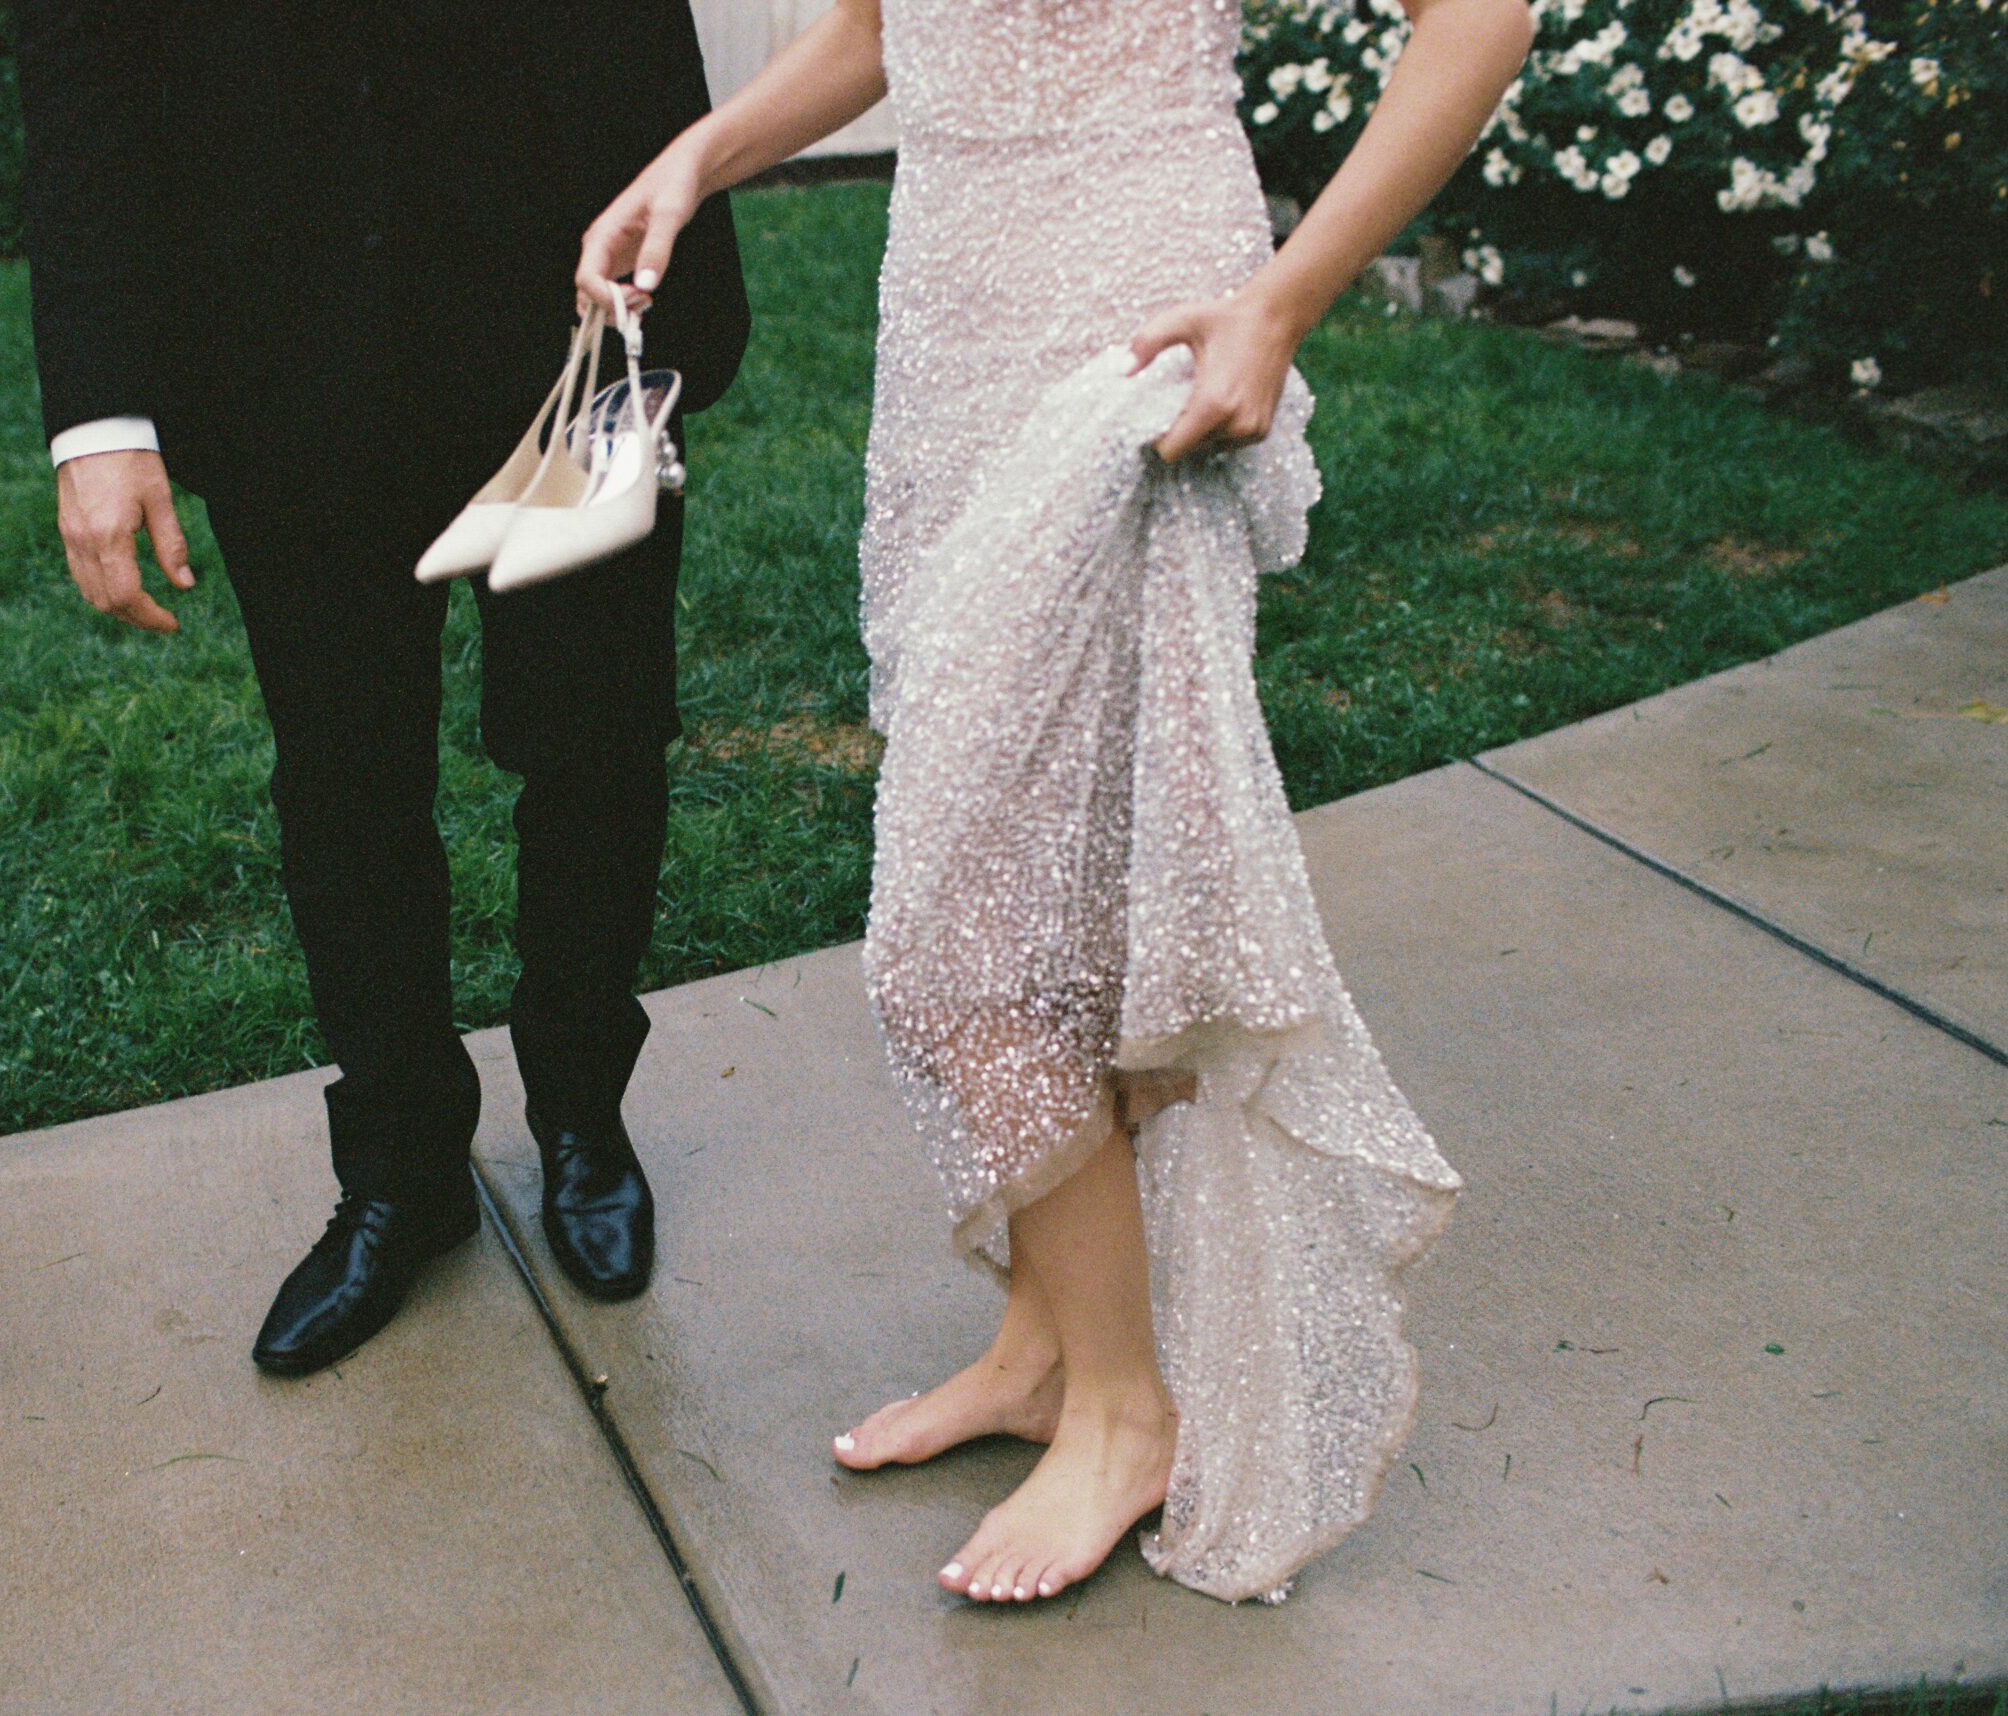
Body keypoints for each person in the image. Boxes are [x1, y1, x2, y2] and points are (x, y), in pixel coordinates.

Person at [576, 0, 1524, 1604]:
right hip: (947, 326)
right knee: (1055, 880)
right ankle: (1043, 1348)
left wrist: (1283, 301)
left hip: (1137, 317)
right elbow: (887, 29)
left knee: (962, 933)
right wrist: (698, 156)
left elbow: (1482, 15)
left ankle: (1127, 1416)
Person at [15, 1, 750, 1374]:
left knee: (596, 739)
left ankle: (583, 1114)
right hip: (278, 339)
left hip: (576, 326)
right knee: (346, 777)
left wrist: (674, 275)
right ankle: (403, 1173)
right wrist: (101, 412)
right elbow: (83, 84)